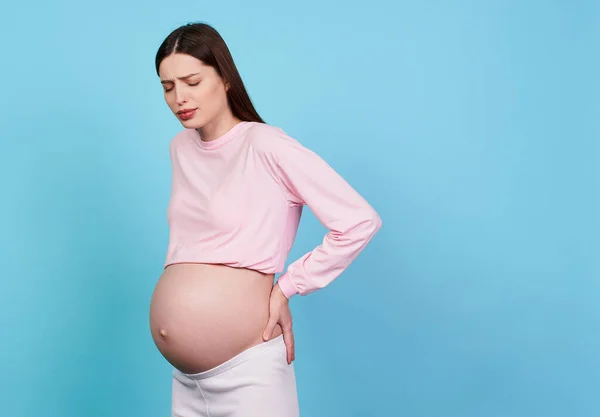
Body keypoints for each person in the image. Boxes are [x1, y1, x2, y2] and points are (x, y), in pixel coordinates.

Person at [149, 22, 382, 417]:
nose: (179, 98)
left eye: (191, 81)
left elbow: (359, 221)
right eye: (168, 86)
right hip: (186, 381)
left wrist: (287, 286)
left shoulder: (266, 145)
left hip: (248, 373)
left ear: (224, 78)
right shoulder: (180, 148)